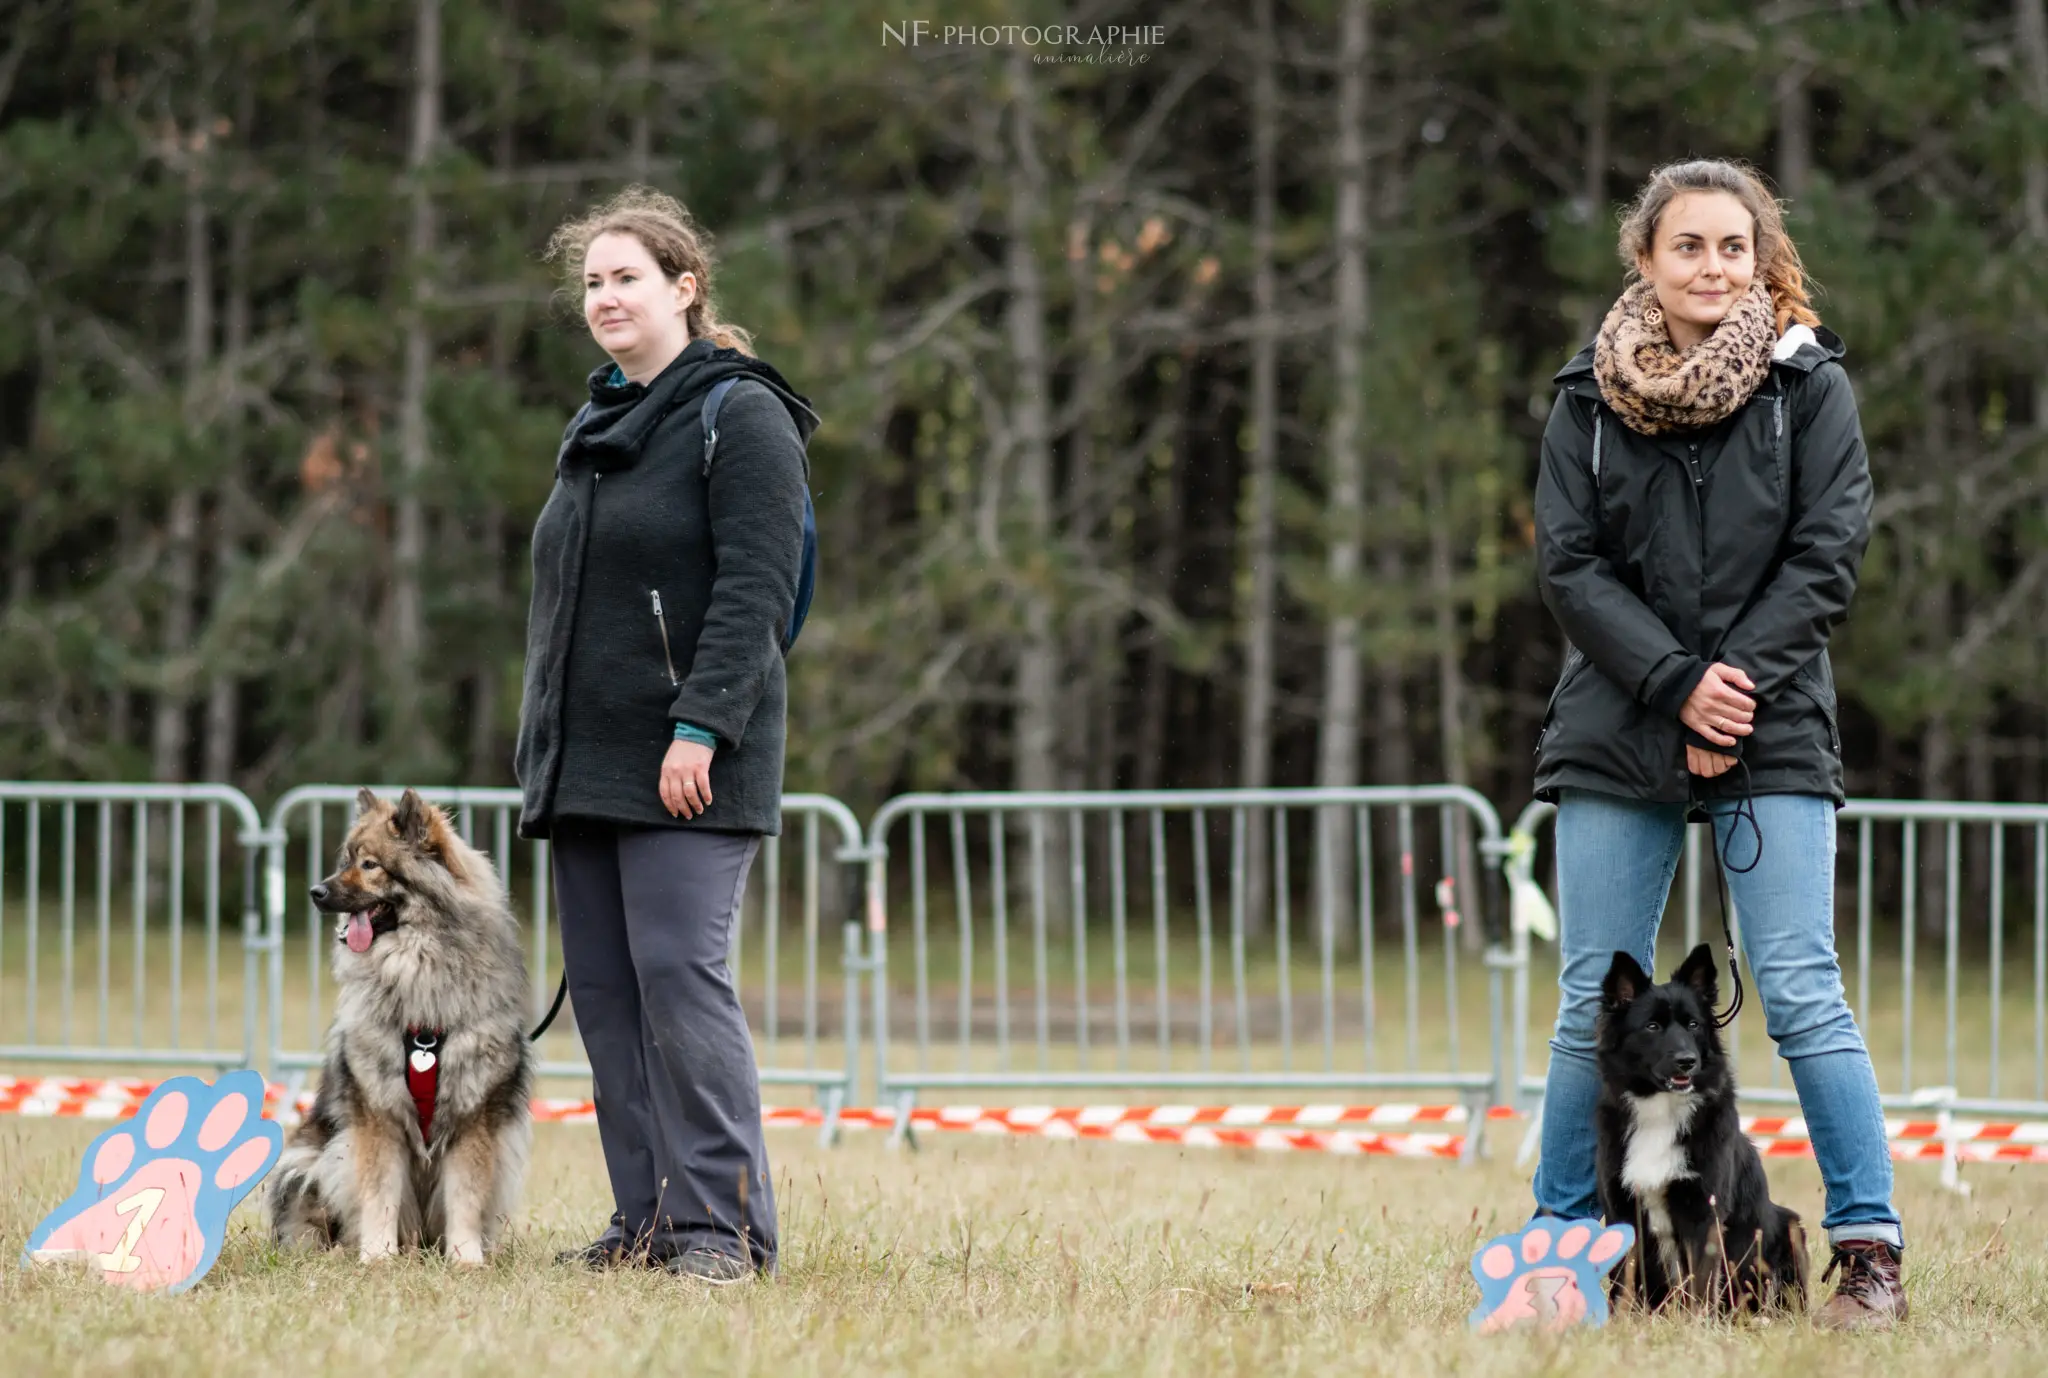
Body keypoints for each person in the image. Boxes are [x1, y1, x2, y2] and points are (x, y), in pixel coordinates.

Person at [1530, 159, 1905, 1328]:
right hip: (1617, 722)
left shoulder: (1810, 389)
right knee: (1587, 994)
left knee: (1800, 989)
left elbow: (1826, 550)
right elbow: (1568, 564)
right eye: (1686, 246)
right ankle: (1557, 1254)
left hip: (1772, 716)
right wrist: (1672, 682)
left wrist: (1725, 690)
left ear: (1761, 258)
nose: (1710, 266)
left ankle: (1865, 1253)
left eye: (1731, 246)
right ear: (1643, 259)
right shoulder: (1583, 402)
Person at [514, 186, 816, 1283]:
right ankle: (644, 1223)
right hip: (587, 765)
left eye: (626, 277)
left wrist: (700, 726)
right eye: (590, 281)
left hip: (691, 761)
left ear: (685, 288)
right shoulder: (595, 422)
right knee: (607, 998)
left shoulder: (739, 413)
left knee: (680, 984)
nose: (604, 297)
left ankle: (722, 1232)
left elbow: (756, 589)